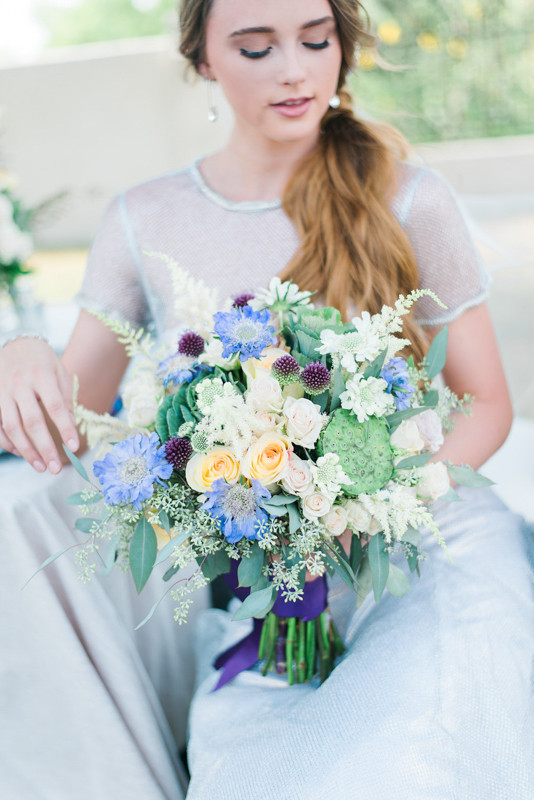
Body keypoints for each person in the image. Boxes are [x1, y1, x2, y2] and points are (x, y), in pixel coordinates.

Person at [0, 0, 532, 798]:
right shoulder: (141, 219)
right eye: (256, 47)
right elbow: (74, 412)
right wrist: (21, 353)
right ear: (204, 59)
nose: (294, 69)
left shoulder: (414, 200)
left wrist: (374, 505)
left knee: (420, 746)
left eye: (316, 40)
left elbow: (487, 403)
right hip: (269, 583)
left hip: (429, 546)